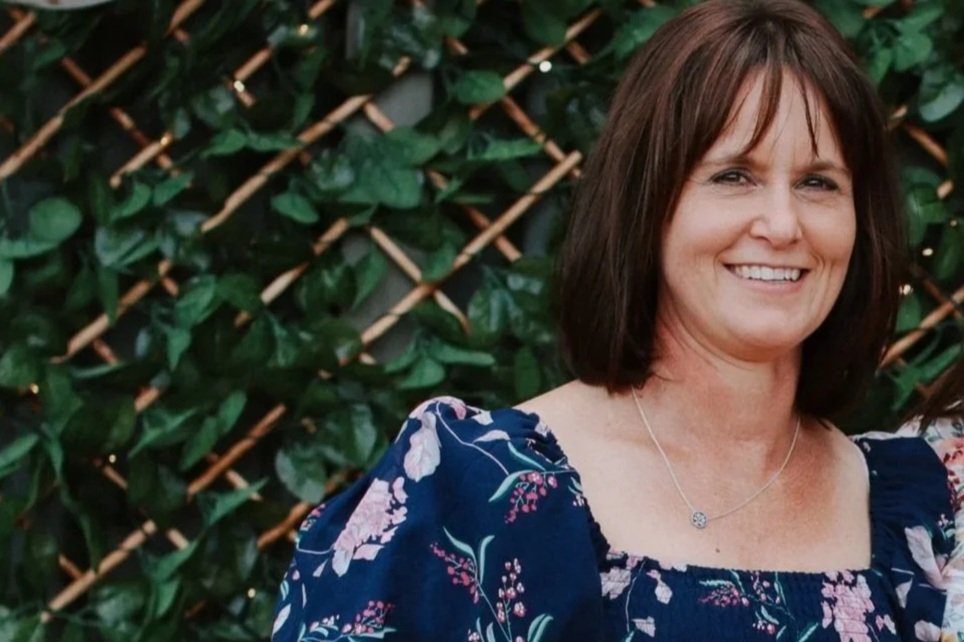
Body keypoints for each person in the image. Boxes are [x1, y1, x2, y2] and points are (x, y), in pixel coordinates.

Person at [271, 1, 964, 639]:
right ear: (647, 202)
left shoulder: (923, 520)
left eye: (819, 183)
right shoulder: (475, 495)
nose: (782, 225)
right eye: (734, 176)